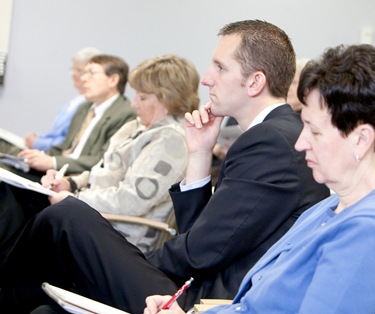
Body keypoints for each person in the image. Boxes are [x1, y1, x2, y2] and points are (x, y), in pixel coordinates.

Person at [0, 20, 329, 314]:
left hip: (203, 300)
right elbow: (205, 238)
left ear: (255, 82)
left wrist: (132, 260)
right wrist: (199, 155)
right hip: (198, 286)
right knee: (47, 289)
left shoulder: (270, 140)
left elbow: (202, 251)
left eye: (219, 67)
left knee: (66, 217)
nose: (207, 79)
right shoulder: (272, 135)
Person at [145, 43, 375, 314]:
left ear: (361, 140)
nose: (301, 143)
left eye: (313, 131)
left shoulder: (364, 233)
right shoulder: (322, 211)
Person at [41, 54, 200, 252]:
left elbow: (130, 201)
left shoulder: (171, 141)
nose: (134, 104)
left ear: (168, 99)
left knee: (33, 217)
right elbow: (106, 172)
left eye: (142, 97)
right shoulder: (137, 127)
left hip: (121, 238)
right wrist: (70, 183)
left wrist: (75, 198)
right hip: (100, 219)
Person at [5, 53, 136, 178]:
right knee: (6, 165)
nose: (83, 78)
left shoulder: (125, 114)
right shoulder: (84, 108)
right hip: (57, 172)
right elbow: (64, 147)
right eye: (84, 73)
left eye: (92, 73)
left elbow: (103, 160)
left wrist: (53, 162)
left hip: (78, 179)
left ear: (113, 80)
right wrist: (38, 156)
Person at [0, 47, 101, 154]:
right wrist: (37, 138)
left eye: (79, 70)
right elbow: (54, 134)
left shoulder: (89, 107)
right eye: (73, 68)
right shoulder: (75, 101)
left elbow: (68, 142)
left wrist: (37, 143)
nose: (73, 74)